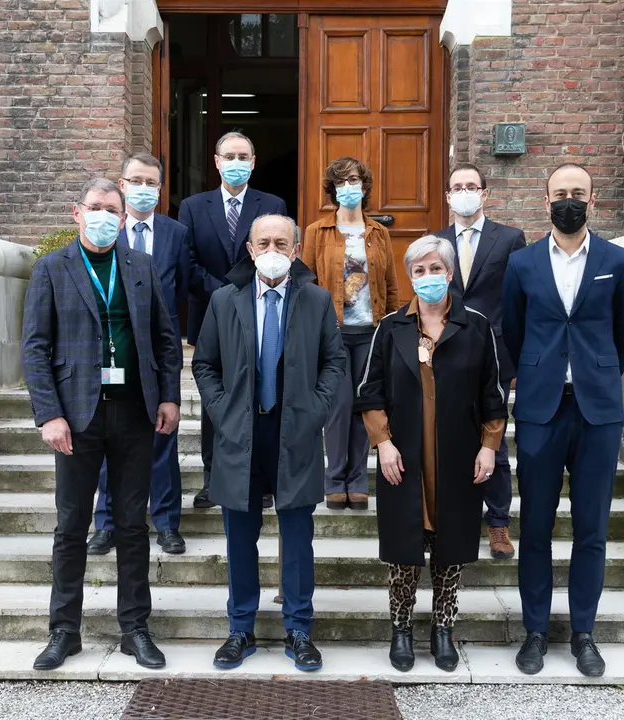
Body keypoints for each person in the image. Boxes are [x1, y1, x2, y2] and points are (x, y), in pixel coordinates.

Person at [22, 177, 182, 671]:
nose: (104, 217)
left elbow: (165, 338)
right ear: (78, 212)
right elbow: (35, 348)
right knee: (71, 526)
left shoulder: (141, 266)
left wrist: (170, 396)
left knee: (132, 525)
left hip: (134, 411)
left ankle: (135, 628)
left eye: (112, 210)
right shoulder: (52, 268)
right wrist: (49, 413)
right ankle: (63, 631)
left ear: (123, 216)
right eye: (96, 207)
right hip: (76, 415)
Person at [502, 164, 624, 678]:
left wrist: (596, 372)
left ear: (592, 199)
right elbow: (512, 331)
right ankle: (535, 632)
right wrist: (539, 372)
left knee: (591, 529)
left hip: (596, 411)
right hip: (540, 410)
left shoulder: (617, 261)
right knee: (535, 526)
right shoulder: (521, 263)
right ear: (546, 202)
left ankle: (584, 632)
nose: (569, 201)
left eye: (577, 193)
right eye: (560, 193)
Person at [192, 214, 346, 673]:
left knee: (297, 539)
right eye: (264, 243)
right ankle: (240, 628)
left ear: (296, 251)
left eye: (282, 242)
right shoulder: (225, 299)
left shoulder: (317, 299)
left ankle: (299, 630)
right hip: (240, 433)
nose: (272, 250)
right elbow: (205, 363)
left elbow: (334, 361)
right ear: (250, 249)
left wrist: (316, 409)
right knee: (240, 539)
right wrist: (222, 411)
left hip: (295, 431)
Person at [355, 235, 507, 673]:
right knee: (404, 549)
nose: (428, 277)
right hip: (403, 457)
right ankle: (401, 630)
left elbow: (493, 394)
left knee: (450, 548)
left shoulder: (475, 326)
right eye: (419, 271)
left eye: (435, 269)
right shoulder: (391, 327)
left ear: (450, 273)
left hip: (458, 457)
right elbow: (370, 392)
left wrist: (489, 447)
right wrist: (383, 442)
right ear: (410, 276)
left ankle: (443, 629)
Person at [89, 153, 191, 557]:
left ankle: (167, 523)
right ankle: (106, 523)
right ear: (122, 184)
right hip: (112, 353)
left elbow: (180, 290)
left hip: (157, 354)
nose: (143, 188)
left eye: (151, 182)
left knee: (163, 438)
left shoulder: (176, 234)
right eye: (136, 180)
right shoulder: (104, 231)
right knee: (107, 440)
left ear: (160, 189)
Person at [180, 131, 288, 510]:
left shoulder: (272, 204)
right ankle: (213, 480)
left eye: (243, 156)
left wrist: (245, 294)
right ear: (217, 161)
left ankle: (261, 479)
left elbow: (276, 254)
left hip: (261, 315)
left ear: (253, 162)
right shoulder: (193, 207)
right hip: (211, 316)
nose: (236, 162)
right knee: (216, 401)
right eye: (230, 156)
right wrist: (225, 295)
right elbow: (187, 261)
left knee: (260, 396)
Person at [433, 162, 527, 560]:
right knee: (448, 438)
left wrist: (517, 356)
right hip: (448, 351)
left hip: (495, 353)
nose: (465, 192)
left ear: (485, 194)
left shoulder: (510, 238)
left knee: (495, 440)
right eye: (457, 187)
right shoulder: (436, 241)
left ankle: (499, 523)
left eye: (472, 186)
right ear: (448, 196)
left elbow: (521, 298)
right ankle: (450, 520)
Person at [302, 156, 399, 511]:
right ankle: (334, 478)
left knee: (365, 404)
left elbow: (390, 285)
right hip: (333, 333)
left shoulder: (379, 233)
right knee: (339, 405)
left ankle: (357, 479)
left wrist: (391, 329)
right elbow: (305, 283)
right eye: (340, 182)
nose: (348, 187)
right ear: (332, 189)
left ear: (364, 185)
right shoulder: (317, 232)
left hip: (371, 333)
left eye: (354, 180)